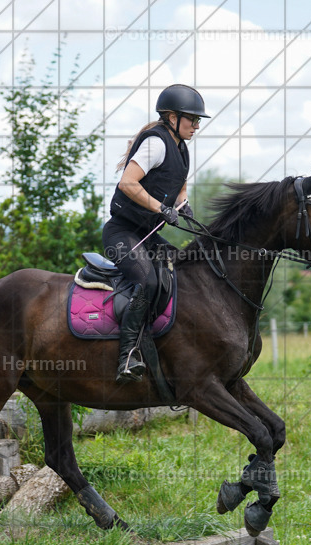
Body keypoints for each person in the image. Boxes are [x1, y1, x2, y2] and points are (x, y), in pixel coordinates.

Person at [103, 84, 209, 383]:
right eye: (192, 119)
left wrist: (183, 205)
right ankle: (127, 356)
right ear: (172, 117)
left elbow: (178, 185)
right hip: (122, 233)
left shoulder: (181, 148)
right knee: (147, 280)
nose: (196, 126)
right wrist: (162, 208)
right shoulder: (156, 143)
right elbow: (128, 184)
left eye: (198, 120)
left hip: (146, 235)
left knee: (186, 269)